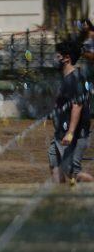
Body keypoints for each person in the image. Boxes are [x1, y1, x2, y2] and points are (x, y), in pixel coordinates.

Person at [48, 41, 93, 184]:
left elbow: (77, 105)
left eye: (57, 56)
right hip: (60, 133)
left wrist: (71, 132)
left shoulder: (76, 78)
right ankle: (59, 199)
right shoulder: (66, 78)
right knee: (54, 163)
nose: (54, 59)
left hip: (74, 134)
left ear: (66, 58)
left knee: (73, 172)